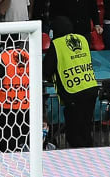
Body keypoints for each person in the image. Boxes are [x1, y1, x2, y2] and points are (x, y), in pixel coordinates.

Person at [42, 16, 99, 148]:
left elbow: (47, 69)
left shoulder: (57, 44)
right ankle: (89, 159)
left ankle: (81, 164)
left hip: (74, 93)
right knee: (85, 130)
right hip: (90, 88)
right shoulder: (82, 39)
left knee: (75, 134)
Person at [0, 40, 30, 152]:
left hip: (5, 112)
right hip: (27, 110)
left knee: (6, 150)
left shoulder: (2, 58)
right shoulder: (30, 57)